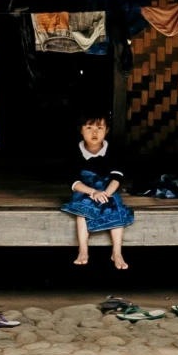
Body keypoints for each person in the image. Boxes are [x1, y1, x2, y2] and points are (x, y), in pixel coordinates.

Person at [64, 109, 132, 269]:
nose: (94, 132)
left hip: (108, 190)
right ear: (81, 130)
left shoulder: (113, 151)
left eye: (99, 128)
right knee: (81, 213)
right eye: (89, 128)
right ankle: (83, 249)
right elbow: (73, 182)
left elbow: (117, 177)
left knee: (117, 210)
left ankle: (117, 251)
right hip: (85, 191)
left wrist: (107, 193)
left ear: (107, 130)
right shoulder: (74, 153)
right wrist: (92, 192)